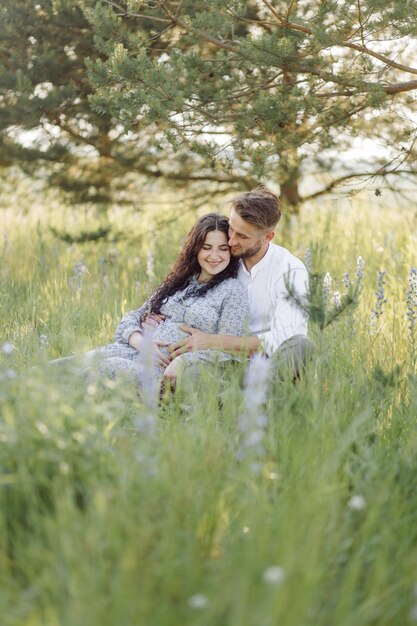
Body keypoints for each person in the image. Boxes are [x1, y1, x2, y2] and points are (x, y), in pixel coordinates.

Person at [79, 213, 249, 389]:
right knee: (66, 366)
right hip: (134, 351)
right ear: (196, 249)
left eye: (222, 248)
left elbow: (229, 350)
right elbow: (129, 320)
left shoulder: (232, 290)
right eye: (206, 247)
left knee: (103, 368)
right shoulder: (180, 281)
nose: (215, 255)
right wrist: (143, 344)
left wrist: (183, 361)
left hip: (161, 369)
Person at [166, 187, 314, 378]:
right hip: (224, 362)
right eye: (231, 228)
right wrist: (154, 314)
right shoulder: (223, 260)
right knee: (191, 373)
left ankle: (257, 398)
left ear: (268, 237)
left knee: (302, 345)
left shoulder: (289, 271)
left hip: (271, 367)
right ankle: (233, 399)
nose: (232, 241)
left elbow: (279, 340)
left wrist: (212, 341)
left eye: (242, 236)